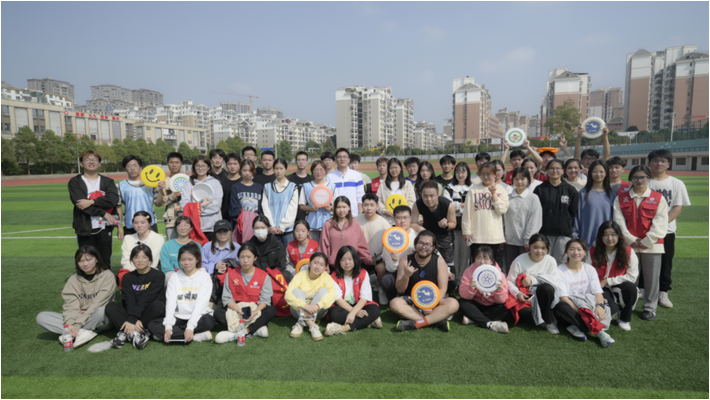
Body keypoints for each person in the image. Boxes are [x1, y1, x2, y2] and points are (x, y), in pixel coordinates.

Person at [613, 165, 668, 321]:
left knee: (652, 278)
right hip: (629, 245)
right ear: (631, 178)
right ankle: (629, 304)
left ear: (648, 178)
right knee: (630, 277)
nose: (639, 180)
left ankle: (650, 307)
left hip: (652, 245)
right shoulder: (621, 197)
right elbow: (618, 221)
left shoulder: (658, 198)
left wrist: (647, 240)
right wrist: (631, 239)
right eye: (636, 177)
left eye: (643, 177)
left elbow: (661, 222)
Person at [36, 246, 115, 348]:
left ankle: (73, 332)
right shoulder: (73, 280)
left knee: (102, 311)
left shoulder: (107, 276)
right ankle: (82, 332)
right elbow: (71, 306)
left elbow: (98, 303)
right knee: (41, 317)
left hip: (99, 318)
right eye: (81, 261)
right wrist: (70, 323)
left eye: (89, 259)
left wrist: (77, 325)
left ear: (96, 259)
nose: (85, 264)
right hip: (79, 317)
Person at [647, 149, 691, 309]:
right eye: (655, 160)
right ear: (649, 163)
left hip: (666, 231)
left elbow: (678, 208)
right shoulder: (644, 181)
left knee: (665, 263)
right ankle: (642, 288)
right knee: (643, 261)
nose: (659, 163)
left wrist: (660, 225)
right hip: (644, 230)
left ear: (668, 164)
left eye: (663, 161)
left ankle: (663, 291)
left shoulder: (676, 183)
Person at [390, 231, 460, 332]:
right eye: (421, 243)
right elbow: (400, 289)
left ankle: (418, 323)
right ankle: (436, 320)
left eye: (427, 244)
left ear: (433, 247)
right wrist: (406, 276)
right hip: (412, 299)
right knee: (394, 303)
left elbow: (442, 288)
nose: (423, 247)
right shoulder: (405, 261)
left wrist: (430, 304)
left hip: (434, 299)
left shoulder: (439, 261)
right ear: (415, 244)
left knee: (454, 303)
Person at [553, 239, 615, 347]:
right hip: (572, 305)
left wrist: (599, 307)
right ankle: (597, 330)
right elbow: (564, 298)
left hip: (588, 303)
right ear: (566, 252)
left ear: (585, 252)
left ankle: (576, 326)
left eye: (579, 249)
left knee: (613, 307)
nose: (575, 252)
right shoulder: (559, 271)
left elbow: (597, 293)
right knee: (561, 307)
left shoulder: (590, 269)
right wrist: (583, 313)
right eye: (572, 249)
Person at [148, 243, 215, 343]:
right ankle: (196, 336)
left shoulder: (204, 276)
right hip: (179, 317)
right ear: (179, 260)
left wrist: (190, 326)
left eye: (190, 259)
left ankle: (171, 335)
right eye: (183, 259)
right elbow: (170, 302)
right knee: (152, 325)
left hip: (199, 317)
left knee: (209, 321)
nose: (186, 262)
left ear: (197, 259)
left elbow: (201, 304)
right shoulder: (174, 277)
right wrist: (168, 327)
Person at [105, 244, 165, 350]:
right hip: (131, 311)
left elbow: (148, 298)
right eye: (136, 257)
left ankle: (126, 333)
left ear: (150, 259)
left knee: (158, 305)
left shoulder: (158, 275)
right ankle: (139, 332)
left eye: (144, 257)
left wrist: (132, 319)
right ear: (132, 260)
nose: (140, 260)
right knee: (111, 306)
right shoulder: (127, 277)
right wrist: (133, 318)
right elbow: (129, 300)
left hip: (148, 312)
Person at [214, 243, 275, 342]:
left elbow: (265, 300)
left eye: (249, 257)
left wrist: (255, 312)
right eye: (242, 257)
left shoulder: (264, 276)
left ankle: (244, 331)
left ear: (255, 258)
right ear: (238, 258)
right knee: (217, 313)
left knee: (271, 310)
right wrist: (238, 310)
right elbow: (227, 298)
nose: (245, 260)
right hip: (237, 312)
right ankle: (256, 329)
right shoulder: (230, 274)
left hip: (255, 312)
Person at [69, 150, 119, 271]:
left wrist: (92, 202)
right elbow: (80, 205)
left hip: (104, 227)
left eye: (95, 159)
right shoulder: (75, 182)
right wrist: (103, 212)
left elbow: (113, 200)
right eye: (87, 159)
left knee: (105, 260)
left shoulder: (108, 181)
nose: (91, 162)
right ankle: (88, 282)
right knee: (86, 260)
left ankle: (106, 283)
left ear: (99, 163)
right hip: (84, 227)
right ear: (81, 163)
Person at [590, 221, 639, 331]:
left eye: (613, 234)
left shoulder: (628, 251)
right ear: (600, 236)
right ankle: (614, 307)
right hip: (600, 287)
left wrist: (608, 281)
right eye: (605, 235)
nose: (610, 238)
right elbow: (587, 274)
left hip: (619, 284)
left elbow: (632, 277)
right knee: (612, 310)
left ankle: (624, 319)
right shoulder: (592, 251)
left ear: (619, 236)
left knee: (631, 288)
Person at [506, 234, 560, 334]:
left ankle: (548, 321)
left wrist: (532, 280)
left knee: (547, 288)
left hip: (544, 294)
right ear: (529, 247)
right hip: (525, 294)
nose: (539, 251)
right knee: (524, 314)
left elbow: (554, 280)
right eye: (535, 247)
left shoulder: (550, 260)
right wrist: (518, 293)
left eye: (543, 248)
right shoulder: (519, 260)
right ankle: (534, 313)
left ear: (547, 249)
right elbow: (509, 281)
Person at [325, 246, 382, 336]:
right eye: (343, 259)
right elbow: (338, 300)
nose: (347, 262)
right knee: (334, 314)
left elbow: (364, 298)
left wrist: (353, 313)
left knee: (375, 310)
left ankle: (344, 328)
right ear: (338, 261)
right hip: (344, 307)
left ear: (355, 260)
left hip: (360, 304)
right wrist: (354, 312)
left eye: (350, 259)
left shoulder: (363, 273)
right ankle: (369, 321)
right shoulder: (333, 276)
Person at [462, 162, 509, 272]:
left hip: (494, 237)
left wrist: (493, 194)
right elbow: (467, 212)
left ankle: (496, 283)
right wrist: (466, 231)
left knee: (494, 265)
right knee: (476, 265)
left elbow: (502, 210)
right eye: (482, 174)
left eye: (489, 174)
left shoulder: (501, 190)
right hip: (476, 236)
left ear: (495, 175)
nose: (486, 177)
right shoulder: (473, 190)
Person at [369, 205, 418, 304]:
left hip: (414, 269)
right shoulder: (389, 238)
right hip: (395, 271)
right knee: (387, 281)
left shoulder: (417, 235)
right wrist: (394, 260)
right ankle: (391, 294)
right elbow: (390, 268)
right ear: (394, 219)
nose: (402, 221)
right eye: (398, 218)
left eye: (405, 217)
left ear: (410, 218)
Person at [534, 159, 578, 264]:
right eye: (551, 168)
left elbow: (573, 213)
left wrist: (567, 225)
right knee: (543, 262)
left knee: (560, 262)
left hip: (563, 234)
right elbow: (535, 212)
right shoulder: (539, 189)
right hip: (544, 232)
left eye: (558, 168)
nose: (554, 171)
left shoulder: (570, 190)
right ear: (547, 170)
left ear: (563, 171)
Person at [458, 246, 511, 333]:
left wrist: (499, 290)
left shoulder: (499, 274)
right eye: (478, 258)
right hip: (476, 304)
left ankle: (473, 319)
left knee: (507, 310)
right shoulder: (469, 271)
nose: (482, 261)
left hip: (492, 306)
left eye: (485, 258)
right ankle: (489, 324)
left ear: (492, 260)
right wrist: (470, 288)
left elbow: (502, 300)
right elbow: (463, 294)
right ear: (474, 259)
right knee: (461, 302)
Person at [284, 252, 336, 341]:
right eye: (315, 263)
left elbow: (332, 295)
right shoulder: (300, 275)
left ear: (325, 267)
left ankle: (300, 323)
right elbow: (288, 295)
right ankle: (312, 325)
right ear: (309, 263)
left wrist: (317, 306)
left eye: (322, 265)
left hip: (318, 311)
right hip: (297, 311)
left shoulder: (326, 277)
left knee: (324, 291)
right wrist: (305, 306)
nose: (317, 267)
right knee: (295, 291)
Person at [410, 181, 457, 281]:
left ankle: (451, 285)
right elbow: (412, 223)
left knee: (448, 261)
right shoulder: (418, 204)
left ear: (437, 194)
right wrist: (419, 228)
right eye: (425, 196)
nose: (428, 199)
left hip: (444, 235)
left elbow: (453, 223)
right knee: (428, 260)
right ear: (421, 195)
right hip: (427, 235)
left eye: (432, 196)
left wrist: (446, 225)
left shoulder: (447, 204)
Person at [319, 196, 372, 269]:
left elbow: (361, 245)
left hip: (352, 266)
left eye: (344, 207)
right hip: (334, 266)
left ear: (349, 208)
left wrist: (369, 261)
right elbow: (323, 248)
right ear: (334, 208)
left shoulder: (354, 224)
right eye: (338, 207)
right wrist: (326, 269)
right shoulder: (328, 225)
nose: (341, 210)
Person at [504, 167, 543, 268]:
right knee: (511, 269)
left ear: (528, 180)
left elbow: (535, 221)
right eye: (516, 179)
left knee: (525, 269)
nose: (519, 182)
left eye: (522, 179)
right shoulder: (507, 197)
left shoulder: (533, 198)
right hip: (509, 241)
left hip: (525, 243)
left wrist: (528, 239)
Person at [179, 156, 223, 242]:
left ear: (208, 167)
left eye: (203, 165)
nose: (200, 168)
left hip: (212, 227)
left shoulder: (215, 183)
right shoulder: (189, 184)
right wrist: (203, 205)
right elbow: (184, 206)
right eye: (198, 166)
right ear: (194, 167)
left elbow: (216, 206)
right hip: (194, 227)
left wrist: (195, 209)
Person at [116, 155, 161, 239]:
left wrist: (161, 190)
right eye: (129, 166)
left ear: (141, 168)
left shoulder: (151, 184)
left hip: (150, 224)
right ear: (125, 169)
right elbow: (118, 208)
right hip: (130, 226)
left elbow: (158, 204)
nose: (132, 168)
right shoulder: (120, 186)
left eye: (135, 165)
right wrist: (119, 227)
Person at [574, 160, 616, 249]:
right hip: (586, 241)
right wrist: (575, 236)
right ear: (590, 173)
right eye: (595, 171)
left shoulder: (612, 195)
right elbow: (577, 218)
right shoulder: (582, 193)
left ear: (606, 173)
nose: (598, 174)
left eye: (601, 172)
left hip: (607, 241)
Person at [442, 161, 472, 282]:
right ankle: (454, 279)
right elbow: (447, 206)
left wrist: (457, 206)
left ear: (468, 173)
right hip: (453, 225)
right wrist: (462, 205)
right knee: (453, 253)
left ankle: (463, 280)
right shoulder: (449, 188)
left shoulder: (472, 188)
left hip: (468, 226)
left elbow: (473, 206)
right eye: (458, 171)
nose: (460, 174)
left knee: (466, 254)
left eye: (463, 171)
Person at [119, 211, 165, 287]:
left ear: (149, 223)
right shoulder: (127, 238)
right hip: (131, 273)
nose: (139, 225)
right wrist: (135, 274)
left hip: (150, 273)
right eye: (136, 222)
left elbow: (152, 262)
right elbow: (125, 261)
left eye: (143, 222)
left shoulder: (158, 238)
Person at [229, 159, 274, 236]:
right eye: (244, 170)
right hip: (241, 225)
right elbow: (234, 209)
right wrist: (245, 220)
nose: (247, 173)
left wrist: (258, 221)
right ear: (240, 170)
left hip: (256, 225)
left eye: (250, 170)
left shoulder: (259, 187)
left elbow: (261, 208)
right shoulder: (235, 187)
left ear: (254, 171)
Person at [263, 158, 300, 246]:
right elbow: (265, 207)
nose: (279, 171)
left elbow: (293, 208)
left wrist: (283, 226)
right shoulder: (267, 187)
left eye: (281, 168)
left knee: (288, 253)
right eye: (276, 168)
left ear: (286, 169)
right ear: (273, 169)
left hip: (287, 230)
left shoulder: (293, 187)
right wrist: (271, 225)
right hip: (272, 230)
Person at [299, 160, 337, 243]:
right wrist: (311, 208)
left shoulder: (332, 186)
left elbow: (337, 206)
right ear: (312, 171)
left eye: (321, 170)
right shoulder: (306, 186)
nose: (318, 172)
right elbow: (301, 206)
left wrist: (330, 208)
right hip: (311, 223)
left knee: (327, 247)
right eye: (316, 170)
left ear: (325, 171)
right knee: (313, 247)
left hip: (328, 223)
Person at [248, 216, 293, 282]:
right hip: (255, 276)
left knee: (286, 275)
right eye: (257, 228)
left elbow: (281, 265)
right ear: (253, 229)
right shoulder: (249, 246)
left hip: (273, 276)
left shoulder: (278, 245)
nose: (260, 230)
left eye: (263, 227)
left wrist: (270, 275)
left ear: (268, 228)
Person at [160, 216, 203, 280]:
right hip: (174, 275)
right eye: (179, 225)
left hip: (192, 274)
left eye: (186, 225)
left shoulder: (197, 245)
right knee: (169, 276)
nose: (183, 228)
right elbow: (165, 266)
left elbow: (199, 263)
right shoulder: (167, 245)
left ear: (191, 228)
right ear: (175, 228)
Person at [376, 158, 416, 225]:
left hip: (403, 222)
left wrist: (403, 212)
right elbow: (378, 201)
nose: (394, 170)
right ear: (388, 169)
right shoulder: (383, 185)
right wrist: (384, 210)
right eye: (391, 168)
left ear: (400, 168)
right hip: (387, 221)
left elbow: (412, 201)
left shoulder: (407, 184)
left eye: (396, 167)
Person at [328, 148, 365, 216]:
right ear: (335, 160)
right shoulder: (329, 177)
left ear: (348, 160)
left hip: (353, 214)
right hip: (336, 214)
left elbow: (360, 196)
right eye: (339, 157)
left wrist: (360, 211)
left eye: (344, 157)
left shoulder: (356, 175)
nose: (342, 159)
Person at [157, 152, 184, 241]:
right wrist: (171, 196)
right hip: (171, 221)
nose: (174, 165)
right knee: (172, 247)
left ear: (181, 164)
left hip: (187, 219)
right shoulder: (163, 182)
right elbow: (158, 203)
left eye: (177, 162)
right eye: (171, 162)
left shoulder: (188, 180)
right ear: (167, 164)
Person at [288, 151, 315, 223]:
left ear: (307, 162)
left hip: (308, 216)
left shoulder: (312, 179)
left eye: (303, 160)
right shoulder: (289, 179)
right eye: (299, 160)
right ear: (295, 162)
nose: (301, 162)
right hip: (292, 216)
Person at [219, 153, 242, 221]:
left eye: (235, 164)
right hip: (224, 218)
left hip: (240, 218)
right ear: (226, 165)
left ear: (239, 165)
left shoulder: (244, 182)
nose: (232, 166)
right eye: (230, 164)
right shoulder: (221, 182)